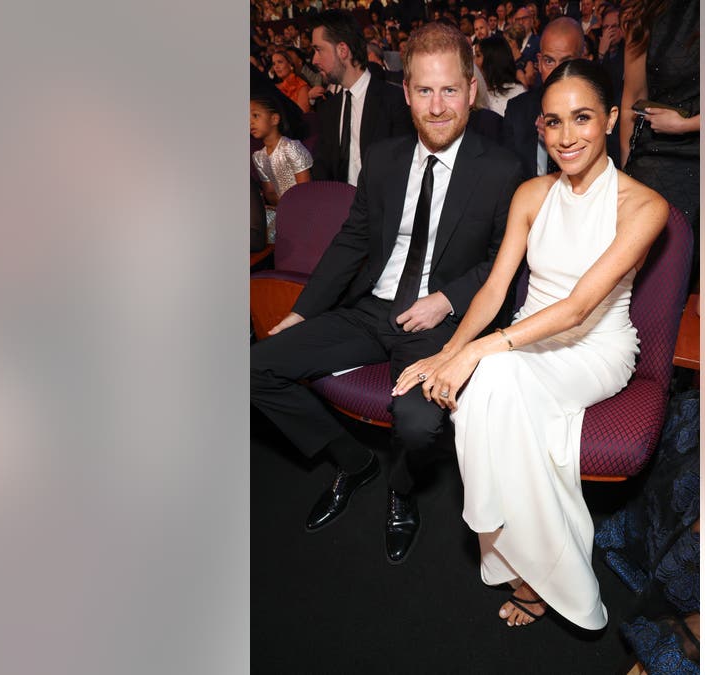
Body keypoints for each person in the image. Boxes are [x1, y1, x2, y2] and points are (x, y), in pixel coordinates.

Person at [392, 59, 667, 629]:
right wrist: (450, 352)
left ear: (612, 118)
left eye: (583, 118)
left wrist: (476, 353)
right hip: (525, 337)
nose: (567, 137)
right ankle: (533, 567)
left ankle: (510, 552)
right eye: (553, 122)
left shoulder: (644, 206)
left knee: (486, 377)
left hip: (596, 347)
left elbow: (579, 307)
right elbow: (495, 291)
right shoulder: (531, 194)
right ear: (539, 127)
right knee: (487, 380)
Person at [251, 22, 523, 564]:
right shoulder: (384, 157)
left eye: (450, 89)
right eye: (425, 90)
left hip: (440, 322)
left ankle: (401, 487)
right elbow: (352, 240)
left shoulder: (502, 171)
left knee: (420, 425)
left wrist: (446, 300)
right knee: (255, 367)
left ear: (472, 90)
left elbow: (506, 263)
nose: (438, 106)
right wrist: (303, 312)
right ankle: (355, 463)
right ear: (407, 93)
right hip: (370, 307)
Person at [619, 0, 698, 288]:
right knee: (647, 281)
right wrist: (629, 167)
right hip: (657, 152)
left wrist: (688, 124)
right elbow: (634, 95)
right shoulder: (645, 12)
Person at [306, 10, 413, 184]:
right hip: (339, 206)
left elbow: (403, 172)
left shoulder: (394, 101)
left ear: (342, 50)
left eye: (319, 50)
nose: (314, 60)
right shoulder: (328, 107)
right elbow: (322, 170)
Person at [500, 16, 585, 177]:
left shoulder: (597, 113)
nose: (557, 73)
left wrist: (561, 144)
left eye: (566, 62)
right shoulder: (517, 110)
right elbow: (507, 178)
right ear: (539, 62)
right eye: (549, 61)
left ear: (582, 60)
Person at [250, 95, 314, 242]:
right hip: (283, 210)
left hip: (304, 209)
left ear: (274, 119)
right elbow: (270, 192)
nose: (250, 122)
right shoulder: (258, 156)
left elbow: (305, 189)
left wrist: (291, 211)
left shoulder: (290, 147)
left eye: (255, 115)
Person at [477, 35, 526, 115]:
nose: (474, 60)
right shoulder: (476, 94)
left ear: (492, 60)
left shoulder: (517, 93)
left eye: (478, 55)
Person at [270, 48, 312, 112]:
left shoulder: (301, 85)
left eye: (280, 62)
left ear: (290, 65)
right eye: (274, 64)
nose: (276, 67)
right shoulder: (275, 87)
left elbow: (303, 113)